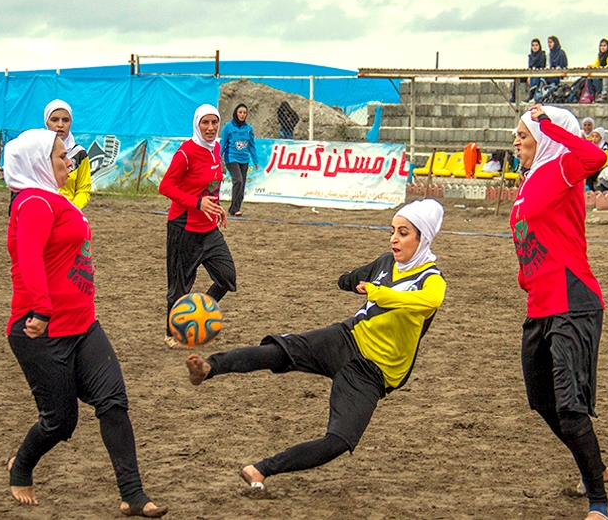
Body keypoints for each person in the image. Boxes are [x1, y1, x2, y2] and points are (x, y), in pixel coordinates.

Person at [184, 199, 447, 492]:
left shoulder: (431, 279)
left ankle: (261, 469)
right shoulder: (386, 263)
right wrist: (348, 281)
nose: (393, 238)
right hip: (345, 338)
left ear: (422, 238)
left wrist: (379, 294)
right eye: (392, 231)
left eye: (403, 232)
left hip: (372, 372)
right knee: (279, 352)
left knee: (338, 441)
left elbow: (429, 302)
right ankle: (209, 368)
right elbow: (350, 279)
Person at [3, 129, 168, 518]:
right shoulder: (33, 204)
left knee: (114, 402)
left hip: (84, 325)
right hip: (39, 331)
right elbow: (28, 258)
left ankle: (133, 493)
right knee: (60, 422)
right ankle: (21, 465)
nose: (68, 162)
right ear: (39, 162)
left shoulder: (53, 199)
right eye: (61, 157)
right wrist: (42, 309)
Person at [510, 105, 608, 520]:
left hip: (573, 302)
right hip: (540, 304)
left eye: (523, 133)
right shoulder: (529, 181)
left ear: (545, 137)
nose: (515, 140)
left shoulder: (562, 168)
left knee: (570, 408)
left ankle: (599, 504)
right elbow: (532, 240)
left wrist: (550, 124)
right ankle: (597, 467)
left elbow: (597, 158)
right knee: (542, 401)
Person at [159, 104, 237, 349]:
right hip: (184, 227)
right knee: (180, 287)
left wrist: (216, 207)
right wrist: (197, 203)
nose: (211, 128)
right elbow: (166, 187)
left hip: (208, 228)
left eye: (214, 122)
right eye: (205, 123)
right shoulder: (185, 152)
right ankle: (173, 333)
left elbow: (209, 186)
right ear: (197, 124)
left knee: (227, 278)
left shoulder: (215, 149)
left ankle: (197, 314)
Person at [44, 99, 92, 209]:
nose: (60, 125)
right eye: (55, 120)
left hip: (68, 214)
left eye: (65, 120)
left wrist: (72, 209)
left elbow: (83, 189)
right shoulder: (37, 150)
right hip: (41, 212)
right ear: (47, 122)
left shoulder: (79, 154)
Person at [221, 103, 260, 217]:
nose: (242, 115)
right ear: (236, 113)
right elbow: (223, 142)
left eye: (244, 113)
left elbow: (252, 145)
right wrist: (218, 156)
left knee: (242, 185)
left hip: (245, 159)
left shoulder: (249, 129)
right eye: (240, 112)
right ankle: (234, 208)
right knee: (238, 180)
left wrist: (255, 161)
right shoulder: (228, 127)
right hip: (231, 158)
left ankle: (235, 208)